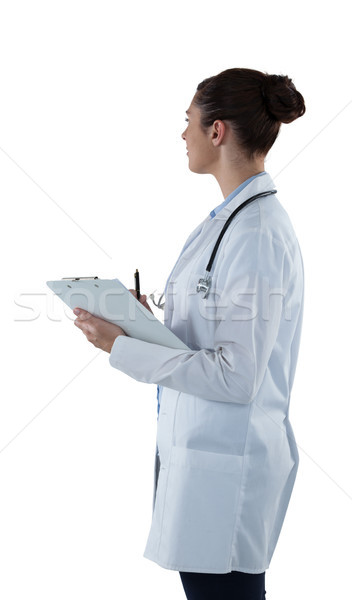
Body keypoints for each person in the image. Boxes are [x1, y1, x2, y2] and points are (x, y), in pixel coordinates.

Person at [72, 67, 306, 600]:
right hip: (201, 462)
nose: (183, 135)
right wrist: (139, 325)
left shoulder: (257, 233)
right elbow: (209, 334)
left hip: (228, 469)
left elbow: (237, 376)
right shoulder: (225, 223)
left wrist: (122, 347)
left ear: (216, 131)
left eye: (188, 122)